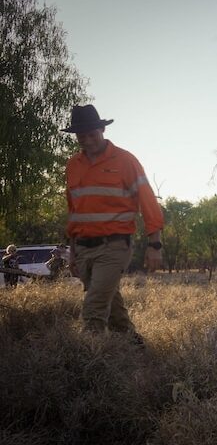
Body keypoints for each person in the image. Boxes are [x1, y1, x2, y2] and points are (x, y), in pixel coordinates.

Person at [62, 104, 164, 342]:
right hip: (83, 247)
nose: (87, 140)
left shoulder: (126, 161)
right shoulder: (72, 165)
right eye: (81, 136)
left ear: (102, 130)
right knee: (111, 303)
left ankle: (88, 369)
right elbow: (74, 210)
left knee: (94, 309)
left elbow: (148, 201)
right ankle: (133, 344)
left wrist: (155, 245)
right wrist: (72, 250)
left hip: (115, 245)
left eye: (92, 134)